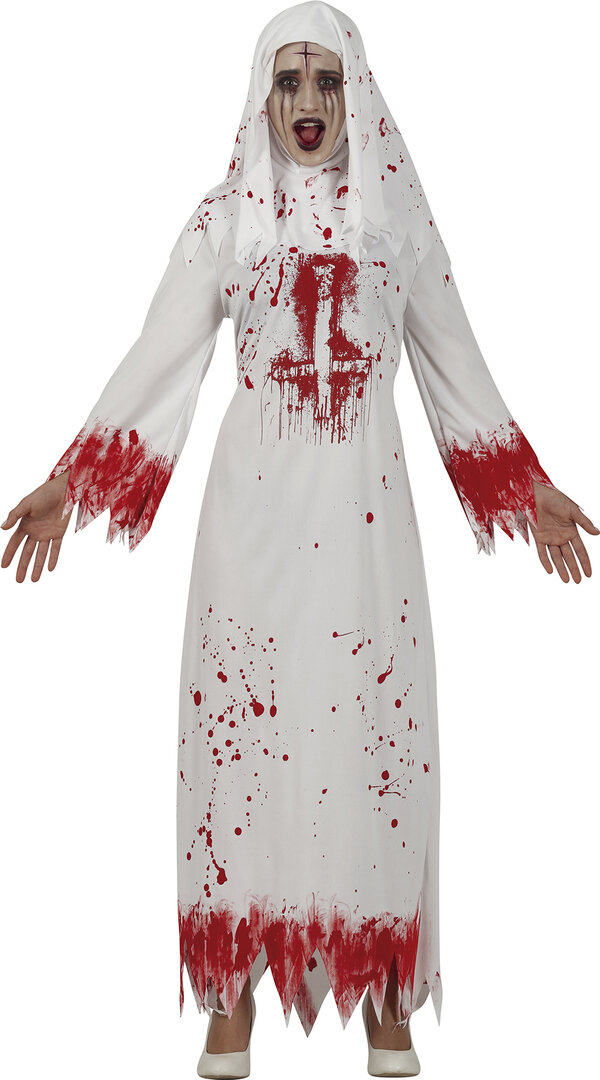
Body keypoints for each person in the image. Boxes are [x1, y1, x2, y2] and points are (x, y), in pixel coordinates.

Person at [2, 3, 598, 1078]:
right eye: (289, 81)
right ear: (261, 96)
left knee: (377, 742)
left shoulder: (396, 223)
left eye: (328, 80)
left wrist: (529, 487)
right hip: (252, 532)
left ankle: (384, 994)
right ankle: (231, 994)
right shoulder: (224, 220)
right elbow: (159, 359)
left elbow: (456, 364)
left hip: (369, 538)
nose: (310, 102)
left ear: (358, 91)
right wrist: (71, 479)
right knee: (240, 747)